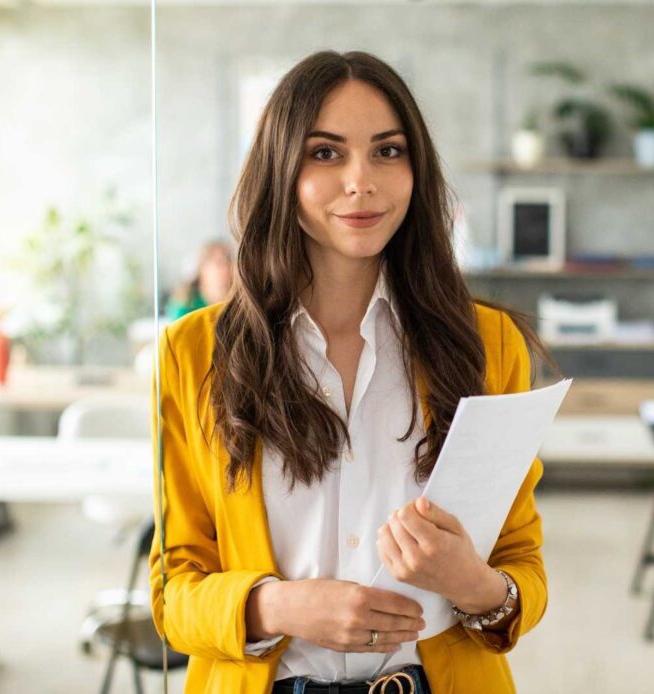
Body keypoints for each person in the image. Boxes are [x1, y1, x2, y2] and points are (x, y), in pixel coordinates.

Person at [150, 50, 550, 694]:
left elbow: (521, 567)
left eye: (388, 151)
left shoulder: (487, 344)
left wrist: (469, 582)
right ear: (281, 170)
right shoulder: (194, 353)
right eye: (326, 153)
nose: (361, 181)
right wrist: (276, 606)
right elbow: (173, 592)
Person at [163, 240, 234, 321]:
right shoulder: (185, 307)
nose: (226, 268)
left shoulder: (238, 305)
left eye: (228, 260)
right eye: (218, 262)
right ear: (202, 269)